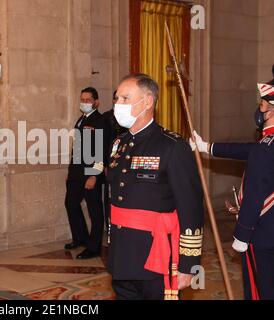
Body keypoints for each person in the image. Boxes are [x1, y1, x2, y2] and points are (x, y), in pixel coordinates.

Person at [107, 74, 204, 300]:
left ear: (148, 102)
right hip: (122, 255)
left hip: (155, 256)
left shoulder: (172, 146)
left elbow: (191, 208)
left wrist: (189, 264)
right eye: (116, 98)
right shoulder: (118, 144)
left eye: (125, 98)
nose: (117, 104)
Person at [191, 82, 274, 300]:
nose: (260, 110)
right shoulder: (266, 144)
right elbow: (248, 150)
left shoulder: (266, 147)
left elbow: (257, 193)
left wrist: (242, 233)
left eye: (263, 104)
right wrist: (207, 146)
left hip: (263, 233)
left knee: (260, 288)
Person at [64, 87, 105, 259]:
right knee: (71, 203)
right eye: (83, 99)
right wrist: (71, 171)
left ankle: (94, 246)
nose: (85, 103)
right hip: (77, 173)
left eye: (88, 100)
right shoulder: (81, 119)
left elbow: (101, 151)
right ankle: (80, 238)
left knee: (94, 209)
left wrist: (94, 175)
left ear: (96, 102)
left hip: (90, 173)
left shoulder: (100, 121)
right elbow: (78, 149)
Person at [103, 91, 127, 235]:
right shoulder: (105, 118)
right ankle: (110, 228)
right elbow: (102, 145)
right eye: (116, 98)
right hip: (107, 166)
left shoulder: (129, 118)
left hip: (125, 165)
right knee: (109, 199)